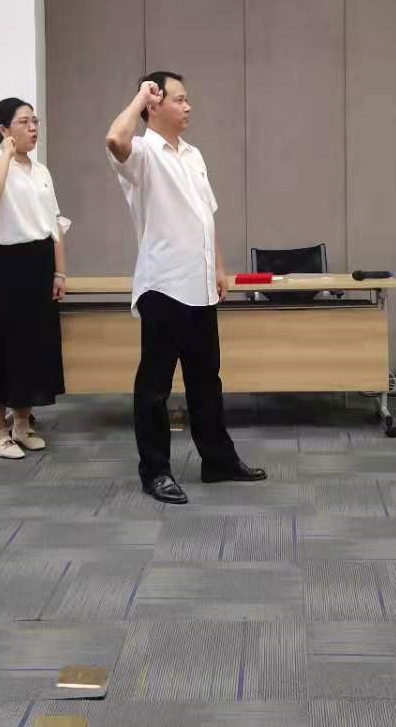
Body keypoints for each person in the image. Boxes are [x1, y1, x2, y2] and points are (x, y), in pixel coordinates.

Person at [105, 71, 265, 504]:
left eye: (187, 98)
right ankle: (155, 471)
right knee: (155, 387)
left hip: (200, 286)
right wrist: (140, 96)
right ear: (155, 105)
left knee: (206, 381)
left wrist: (219, 268)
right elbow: (114, 138)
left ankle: (218, 461)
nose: (188, 106)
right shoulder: (142, 154)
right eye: (179, 99)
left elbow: (205, 217)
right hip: (164, 286)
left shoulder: (193, 155)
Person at [0, 97, 67, 460]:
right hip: (4, 264)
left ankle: (23, 424)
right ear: (3, 130)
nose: (33, 128)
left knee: (34, 346)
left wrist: (59, 271)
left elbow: (55, 224)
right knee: (0, 347)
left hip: (39, 262)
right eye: (24, 122)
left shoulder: (41, 172)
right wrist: (6, 154)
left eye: (35, 121)